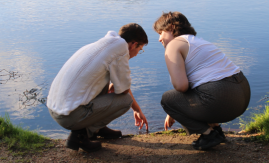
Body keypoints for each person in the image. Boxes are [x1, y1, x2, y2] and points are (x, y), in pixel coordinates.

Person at [153, 12, 251, 150]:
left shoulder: (174, 45)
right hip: (242, 94)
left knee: (167, 99)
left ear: (171, 28)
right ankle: (216, 130)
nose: (159, 39)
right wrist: (174, 110)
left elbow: (181, 87)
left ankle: (208, 134)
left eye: (161, 32)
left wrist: (172, 107)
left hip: (221, 96)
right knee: (200, 90)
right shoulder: (197, 41)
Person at [47, 23, 149, 152]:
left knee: (105, 78)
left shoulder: (101, 46)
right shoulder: (121, 50)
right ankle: (81, 135)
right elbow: (124, 91)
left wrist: (115, 84)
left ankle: (98, 129)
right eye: (140, 50)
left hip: (54, 108)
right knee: (126, 101)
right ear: (133, 44)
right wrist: (137, 110)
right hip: (68, 116)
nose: (136, 54)